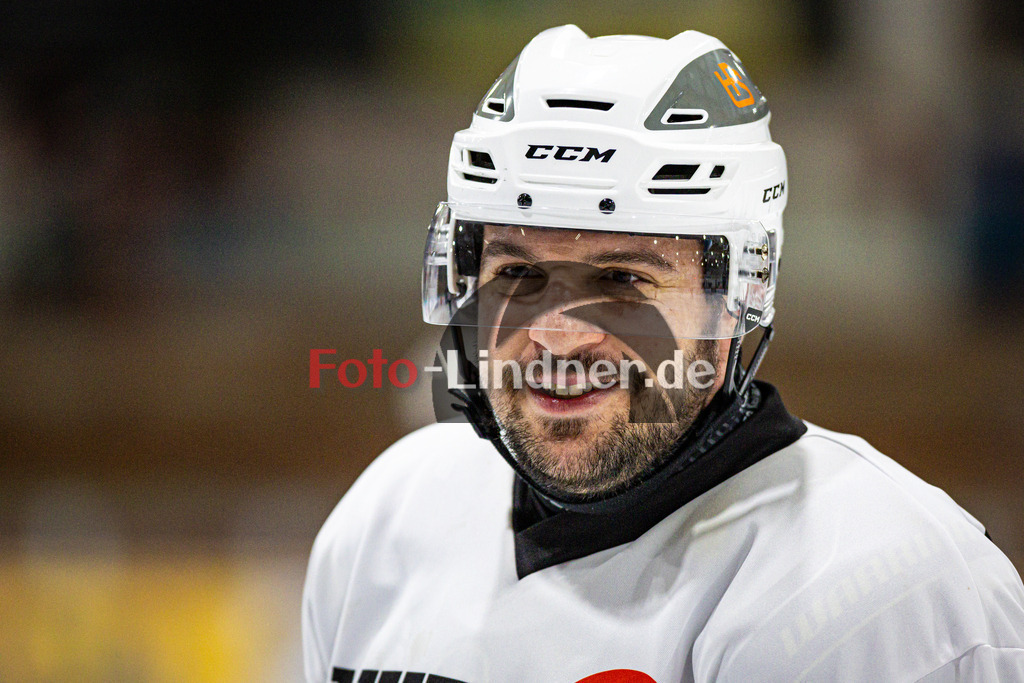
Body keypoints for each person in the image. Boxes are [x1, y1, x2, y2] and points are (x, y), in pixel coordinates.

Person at [302, 25, 1024, 682]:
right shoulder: (386, 524)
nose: (556, 335)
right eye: (518, 274)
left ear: (740, 292)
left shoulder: (886, 597)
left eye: (622, 282)